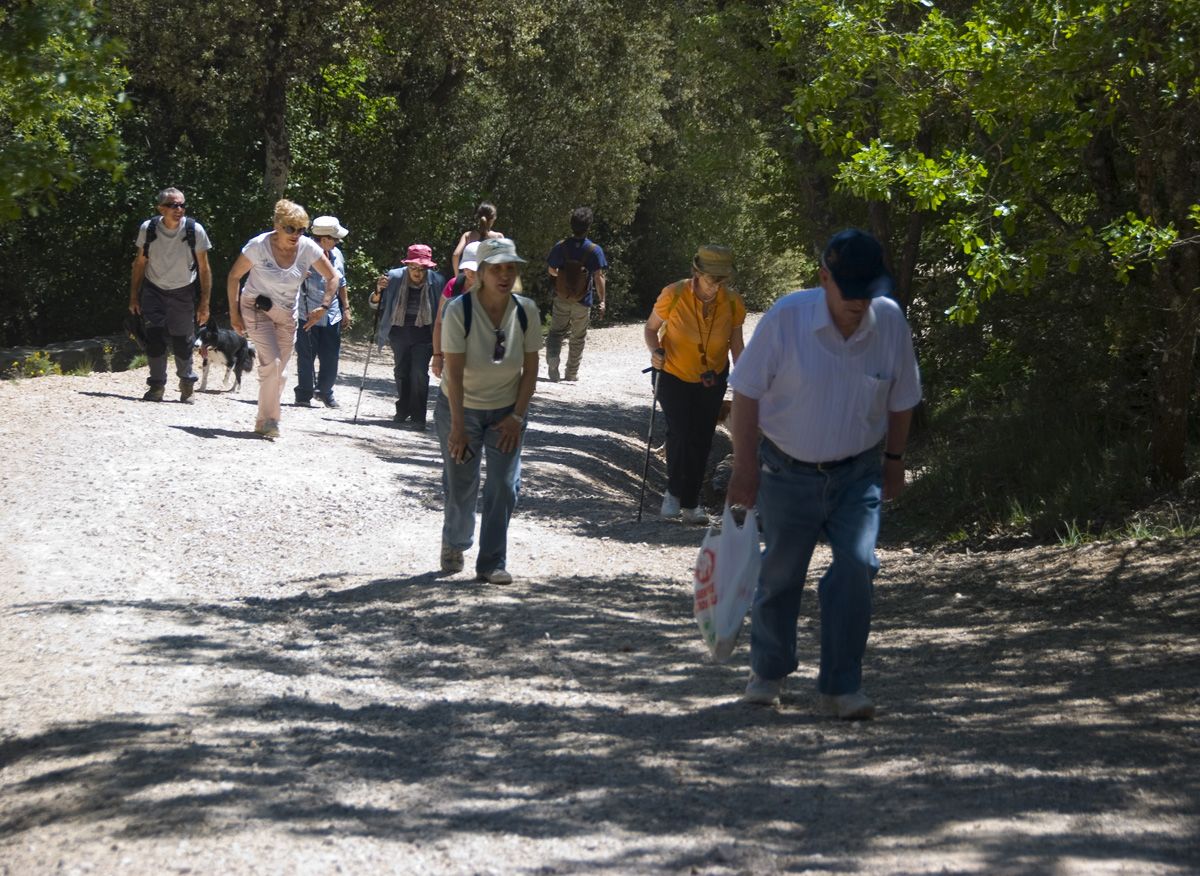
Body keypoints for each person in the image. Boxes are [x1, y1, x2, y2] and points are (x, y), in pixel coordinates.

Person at [727, 229, 922, 720]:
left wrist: (895, 460)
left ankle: (840, 686)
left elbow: (902, 398)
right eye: (848, 289)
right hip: (785, 469)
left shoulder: (890, 322)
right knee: (780, 574)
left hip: (858, 473)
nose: (859, 301)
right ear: (823, 279)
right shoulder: (787, 318)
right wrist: (744, 468)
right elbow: (745, 392)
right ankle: (768, 672)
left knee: (858, 567)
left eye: (866, 289)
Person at [436, 237, 541, 585]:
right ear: (480, 273)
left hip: (506, 412)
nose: (505, 275)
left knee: (504, 486)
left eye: (511, 268)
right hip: (460, 408)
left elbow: (531, 368)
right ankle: (455, 542)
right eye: (497, 269)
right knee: (461, 483)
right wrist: (457, 427)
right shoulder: (459, 310)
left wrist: (517, 417)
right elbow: (453, 371)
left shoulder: (526, 311)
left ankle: (492, 562)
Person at [643, 245, 746, 525]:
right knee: (680, 432)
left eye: (723, 279)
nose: (717, 285)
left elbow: (736, 344)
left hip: (712, 378)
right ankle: (673, 494)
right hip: (672, 374)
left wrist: (746, 379)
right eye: (713, 278)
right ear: (697, 273)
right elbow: (651, 328)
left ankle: (691, 503)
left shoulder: (733, 302)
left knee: (702, 438)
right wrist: (655, 351)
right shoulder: (674, 294)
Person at [227, 199, 339, 440]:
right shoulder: (258, 246)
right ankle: (269, 421)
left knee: (280, 372)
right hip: (256, 308)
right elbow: (234, 277)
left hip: (287, 314)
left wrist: (324, 306)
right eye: (290, 228)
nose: (296, 234)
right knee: (273, 364)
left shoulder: (307, 247)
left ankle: (264, 419)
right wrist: (234, 314)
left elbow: (333, 277)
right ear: (277, 225)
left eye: (301, 230)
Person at [128, 187, 213, 402]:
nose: (179, 209)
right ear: (161, 208)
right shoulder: (148, 229)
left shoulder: (194, 230)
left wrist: (204, 303)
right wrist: (134, 296)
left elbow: (204, 269)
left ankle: (187, 385)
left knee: (183, 341)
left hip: (183, 291)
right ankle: (156, 386)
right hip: (153, 290)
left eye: (182, 205)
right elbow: (139, 263)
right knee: (154, 339)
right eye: (173, 205)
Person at [371, 244, 446, 429]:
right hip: (399, 331)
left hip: (425, 333)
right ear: (407, 265)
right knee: (401, 372)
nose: (418, 273)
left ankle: (419, 416)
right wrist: (378, 291)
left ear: (428, 268)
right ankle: (403, 409)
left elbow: (442, 311)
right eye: (413, 268)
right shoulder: (394, 277)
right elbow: (376, 304)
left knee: (419, 373)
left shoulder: (437, 281)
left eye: (422, 269)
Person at [294, 215, 352, 409]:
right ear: (325, 239)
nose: (338, 241)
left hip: (332, 314)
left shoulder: (337, 254)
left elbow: (341, 282)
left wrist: (346, 307)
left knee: (331, 356)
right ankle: (303, 394)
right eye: (335, 238)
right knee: (306, 356)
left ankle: (325, 392)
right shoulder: (300, 253)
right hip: (306, 313)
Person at [545, 206, 608, 382]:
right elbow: (598, 277)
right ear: (589, 227)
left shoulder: (561, 247)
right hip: (583, 300)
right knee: (578, 337)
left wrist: (563, 277)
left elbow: (551, 270)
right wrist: (602, 300)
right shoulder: (594, 250)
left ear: (571, 225)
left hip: (561, 297)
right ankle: (571, 373)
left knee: (556, 332)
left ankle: (553, 359)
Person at [431, 240, 480, 380]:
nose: (471, 273)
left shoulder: (494, 291)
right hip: (454, 354)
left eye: (476, 269)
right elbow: (439, 322)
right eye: (467, 268)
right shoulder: (454, 285)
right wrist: (437, 355)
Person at [451, 202, 503, 275]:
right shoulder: (498, 237)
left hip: (471, 276)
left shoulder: (468, 236)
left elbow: (456, 255)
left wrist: (457, 276)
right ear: (493, 218)